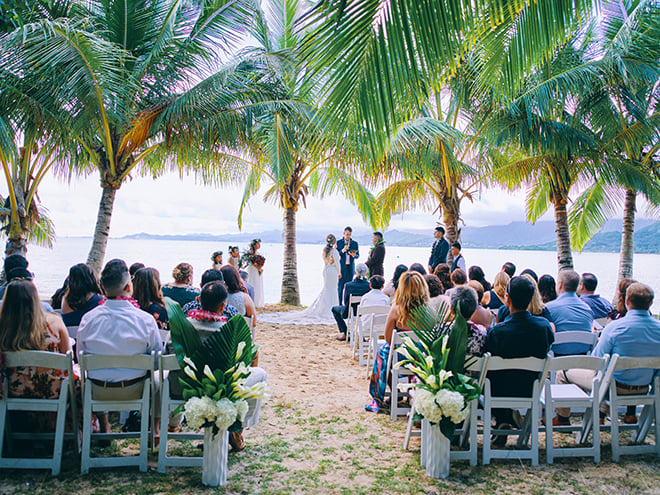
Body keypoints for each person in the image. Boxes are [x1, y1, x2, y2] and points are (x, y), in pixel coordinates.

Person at [553, 282, 660, 426]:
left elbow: (596, 361)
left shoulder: (615, 328)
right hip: (644, 387)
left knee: (562, 374)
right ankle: (610, 415)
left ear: (627, 301)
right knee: (605, 376)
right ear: (651, 303)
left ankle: (562, 419)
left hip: (613, 387)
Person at [77, 259, 163, 437]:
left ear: (103, 288)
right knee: (161, 378)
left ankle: (105, 425)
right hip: (137, 390)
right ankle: (154, 430)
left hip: (97, 390)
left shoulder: (88, 319)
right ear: (128, 288)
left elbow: (81, 357)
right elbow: (156, 360)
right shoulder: (146, 320)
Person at [185, 280, 267, 450]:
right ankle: (238, 431)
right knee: (260, 374)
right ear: (223, 307)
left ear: (199, 300)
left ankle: (170, 423)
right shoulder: (228, 332)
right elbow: (241, 364)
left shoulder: (183, 329)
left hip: (186, 387)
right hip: (222, 389)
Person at [0, 279, 78, 432]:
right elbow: (68, 357)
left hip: (14, 391)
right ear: (35, 300)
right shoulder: (54, 322)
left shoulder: (3, 328)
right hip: (52, 390)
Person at [484, 276, 554, 442]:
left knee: (480, 382)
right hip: (531, 388)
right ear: (531, 299)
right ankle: (505, 418)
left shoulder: (497, 332)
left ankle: (504, 416)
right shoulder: (544, 327)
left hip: (499, 391)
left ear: (507, 298)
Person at [366, 271, 429, 413]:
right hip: (421, 358)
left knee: (383, 355)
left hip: (400, 356)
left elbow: (388, 339)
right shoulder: (429, 311)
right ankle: (412, 392)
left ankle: (391, 392)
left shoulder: (396, 311)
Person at [545, 269, 595, 356]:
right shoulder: (587, 309)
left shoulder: (549, 308)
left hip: (556, 359)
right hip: (581, 359)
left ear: (560, 284)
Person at [331, 263, 371, 340]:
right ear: (366, 273)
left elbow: (345, 301)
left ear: (355, 272)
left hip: (350, 311)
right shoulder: (369, 285)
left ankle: (345, 333)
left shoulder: (348, 285)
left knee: (334, 309)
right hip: (365, 312)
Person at [450, 286, 487, 356]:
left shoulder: (441, 330)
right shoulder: (482, 333)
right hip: (476, 366)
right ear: (475, 309)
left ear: (451, 309)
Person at [336, 227, 359, 302]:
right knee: (340, 287)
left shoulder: (355, 243)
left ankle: (347, 304)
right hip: (342, 268)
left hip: (350, 268)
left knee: (349, 287)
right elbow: (336, 255)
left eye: (350, 235)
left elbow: (358, 255)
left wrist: (353, 255)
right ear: (344, 233)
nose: (348, 236)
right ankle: (339, 304)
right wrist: (343, 250)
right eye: (347, 234)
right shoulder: (338, 243)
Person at [245, 239, 265, 308]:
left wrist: (260, 267)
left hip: (257, 270)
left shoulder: (258, 253)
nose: (259, 245)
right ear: (254, 245)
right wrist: (259, 268)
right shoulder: (250, 253)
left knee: (257, 284)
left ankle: (257, 302)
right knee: (253, 283)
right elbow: (253, 263)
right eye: (258, 244)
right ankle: (252, 302)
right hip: (253, 270)